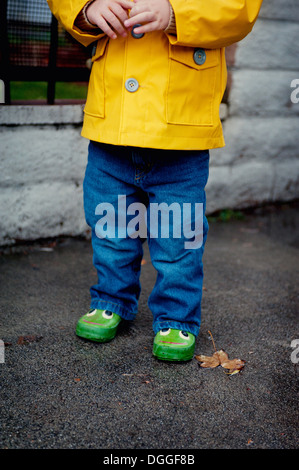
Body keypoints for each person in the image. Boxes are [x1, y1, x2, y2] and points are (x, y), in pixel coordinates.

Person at [47, 0, 263, 361]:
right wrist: (84, 8)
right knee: (111, 227)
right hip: (111, 125)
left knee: (179, 237)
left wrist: (178, 13)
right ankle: (111, 299)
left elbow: (240, 7)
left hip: (180, 128)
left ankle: (177, 316)